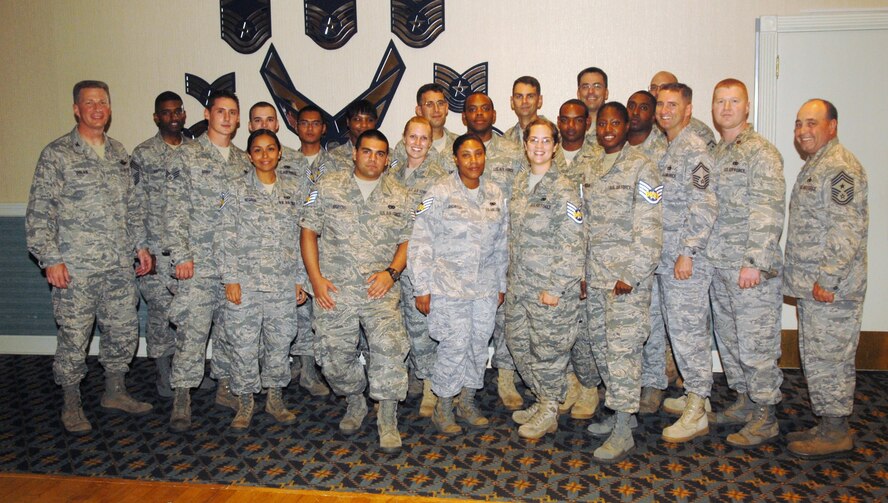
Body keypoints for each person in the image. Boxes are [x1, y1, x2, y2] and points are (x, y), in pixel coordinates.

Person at [26, 80, 153, 435]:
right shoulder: (57, 154)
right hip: (76, 269)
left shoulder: (118, 153)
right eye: (90, 102)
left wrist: (140, 246)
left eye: (103, 102)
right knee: (74, 336)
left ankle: (114, 391)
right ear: (76, 109)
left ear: (110, 109)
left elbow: (132, 208)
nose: (98, 108)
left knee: (123, 329)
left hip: (117, 267)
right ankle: (71, 402)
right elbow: (39, 213)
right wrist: (50, 258)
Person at [300, 129, 412, 453]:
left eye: (380, 154)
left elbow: (408, 240)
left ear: (387, 158)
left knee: (390, 347)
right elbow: (308, 233)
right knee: (333, 359)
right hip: (335, 289)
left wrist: (392, 273)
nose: (373, 159)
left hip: (380, 290)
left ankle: (387, 416)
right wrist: (316, 279)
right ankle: (355, 398)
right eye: (367, 152)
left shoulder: (400, 194)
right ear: (354, 153)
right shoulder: (328, 186)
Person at [408, 133, 508, 435]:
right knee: (454, 345)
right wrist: (421, 287)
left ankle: (467, 400)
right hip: (447, 287)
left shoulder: (495, 193)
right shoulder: (439, 192)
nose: (473, 160)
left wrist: (501, 283)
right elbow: (421, 241)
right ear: (455, 158)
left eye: (478, 154)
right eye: (466, 155)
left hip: (485, 288)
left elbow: (502, 243)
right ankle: (444, 404)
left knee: (478, 345)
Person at [784, 99, 868, 458]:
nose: (804, 130)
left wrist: (829, 279)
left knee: (830, 358)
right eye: (799, 123)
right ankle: (827, 422)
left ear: (832, 126)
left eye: (812, 123)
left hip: (831, 289)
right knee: (817, 356)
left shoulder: (839, 168)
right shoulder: (818, 164)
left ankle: (835, 431)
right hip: (814, 286)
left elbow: (846, 231)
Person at [705, 79, 786, 447]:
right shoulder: (718, 152)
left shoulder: (761, 153)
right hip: (721, 265)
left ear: (747, 106)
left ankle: (766, 414)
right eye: (720, 101)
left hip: (749, 268)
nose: (726, 108)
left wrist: (754, 262)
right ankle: (743, 400)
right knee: (731, 339)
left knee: (756, 343)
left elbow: (768, 211)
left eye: (733, 101)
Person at [165, 89, 252, 433]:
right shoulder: (186, 156)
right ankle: (182, 397)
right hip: (198, 263)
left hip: (233, 265)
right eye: (221, 111)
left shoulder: (244, 160)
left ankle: (225, 388)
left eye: (233, 112)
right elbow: (174, 210)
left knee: (231, 331)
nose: (227, 118)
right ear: (207, 114)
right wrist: (181, 255)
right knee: (193, 331)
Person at [580, 102, 663, 462]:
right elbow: (584, 226)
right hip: (596, 279)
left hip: (625, 283)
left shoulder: (643, 168)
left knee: (623, 354)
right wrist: (582, 273)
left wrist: (631, 275)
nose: (608, 128)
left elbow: (650, 228)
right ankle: (620, 415)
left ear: (628, 125)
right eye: (603, 123)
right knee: (602, 350)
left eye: (616, 122)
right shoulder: (592, 167)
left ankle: (623, 431)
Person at [220, 129, 307, 432]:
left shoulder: (293, 190)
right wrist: (230, 278)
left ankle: (274, 397)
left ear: (280, 153)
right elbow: (225, 236)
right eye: (258, 150)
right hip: (246, 283)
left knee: (279, 343)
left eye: (271, 149)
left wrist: (300, 279)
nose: (265, 155)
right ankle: (245, 401)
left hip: (282, 284)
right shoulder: (234, 190)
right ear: (249, 155)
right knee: (243, 345)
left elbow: (301, 239)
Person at [506, 118, 585, 440]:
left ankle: (550, 409)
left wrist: (555, 288)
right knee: (518, 344)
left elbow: (574, 242)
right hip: (519, 286)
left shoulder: (564, 187)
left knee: (548, 353)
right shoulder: (519, 183)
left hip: (549, 290)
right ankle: (543, 399)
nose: (538, 146)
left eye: (545, 141)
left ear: (555, 146)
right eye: (533, 140)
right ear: (525, 145)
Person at [654, 83, 718, 443]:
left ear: (688, 109)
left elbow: (704, 204)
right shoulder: (671, 147)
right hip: (669, 258)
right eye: (661, 104)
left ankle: (696, 410)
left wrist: (687, 252)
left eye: (672, 104)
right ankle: (699, 397)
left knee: (688, 333)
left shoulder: (694, 148)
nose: (664, 110)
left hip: (685, 261)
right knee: (681, 330)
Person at [461, 92, 527, 410]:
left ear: (495, 113)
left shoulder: (513, 152)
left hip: (503, 247)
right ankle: (454, 382)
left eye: (484, 108)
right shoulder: (452, 151)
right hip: (462, 256)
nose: (478, 114)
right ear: (464, 117)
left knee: (504, 316)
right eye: (471, 110)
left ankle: (505, 375)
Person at [131, 91, 191, 398]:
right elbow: (134, 205)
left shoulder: (194, 152)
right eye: (166, 113)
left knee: (188, 316)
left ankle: (186, 373)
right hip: (155, 253)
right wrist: (141, 249)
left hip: (185, 254)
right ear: (157, 117)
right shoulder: (143, 154)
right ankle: (164, 374)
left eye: (178, 111)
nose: (173, 117)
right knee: (160, 315)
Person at [389, 117, 449, 417]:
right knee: (399, 326)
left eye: (424, 138)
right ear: (403, 137)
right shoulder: (392, 170)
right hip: (388, 260)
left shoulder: (439, 177)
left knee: (421, 326)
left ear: (430, 142)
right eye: (412, 136)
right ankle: (413, 374)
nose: (417, 143)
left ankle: (429, 385)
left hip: (419, 263)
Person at [626, 89, 676, 415]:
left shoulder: (664, 150)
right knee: (627, 327)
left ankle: (654, 383)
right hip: (618, 254)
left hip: (651, 250)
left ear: (654, 113)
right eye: (632, 105)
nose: (637, 111)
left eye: (645, 107)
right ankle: (628, 384)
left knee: (653, 322)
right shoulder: (615, 147)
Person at [285, 104, 333, 397]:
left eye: (316, 123)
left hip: (325, 248)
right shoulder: (283, 162)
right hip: (290, 246)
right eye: (304, 123)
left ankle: (314, 370)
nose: (310, 128)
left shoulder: (337, 164)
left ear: (323, 128)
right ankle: (302, 368)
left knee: (320, 313)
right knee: (295, 314)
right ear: (296, 126)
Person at [649, 71, 717, 150]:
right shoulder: (647, 128)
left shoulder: (700, 130)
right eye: (653, 88)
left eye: (665, 87)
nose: (658, 92)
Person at [555, 99, 602, 187]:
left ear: (587, 122)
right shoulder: (546, 154)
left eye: (578, 120)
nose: (571, 126)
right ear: (558, 122)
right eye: (565, 120)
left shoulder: (600, 156)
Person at [327, 99, 378, 170]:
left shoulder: (388, 156)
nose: (364, 125)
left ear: (375, 122)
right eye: (357, 119)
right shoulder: (333, 156)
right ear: (348, 122)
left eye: (370, 120)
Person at [504, 76, 544, 144]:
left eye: (530, 96)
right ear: (512, 102)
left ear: (539, 100)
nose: (524, 101)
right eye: (519, 97)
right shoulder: (505, 139)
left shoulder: (553, 134)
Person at [576, 67, 609, 145]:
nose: (591, 91)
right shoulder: (568, 129)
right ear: (578, 94)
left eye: (597, 86)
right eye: (585, 87)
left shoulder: (616, 130)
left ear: (606, 93)